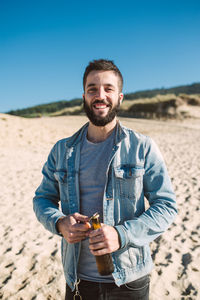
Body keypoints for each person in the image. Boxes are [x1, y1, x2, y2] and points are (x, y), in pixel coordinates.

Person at [33, 59, 177, 300]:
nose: (100, 95)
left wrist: (122, 235)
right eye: (92, 89)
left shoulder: (142, 147)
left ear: (120, 97)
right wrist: (59, 223)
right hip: (78, 280)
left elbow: (166, 206)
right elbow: (42, 199)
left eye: (108, 88)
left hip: (130, 282)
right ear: (84, 96)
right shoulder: (61, 150)